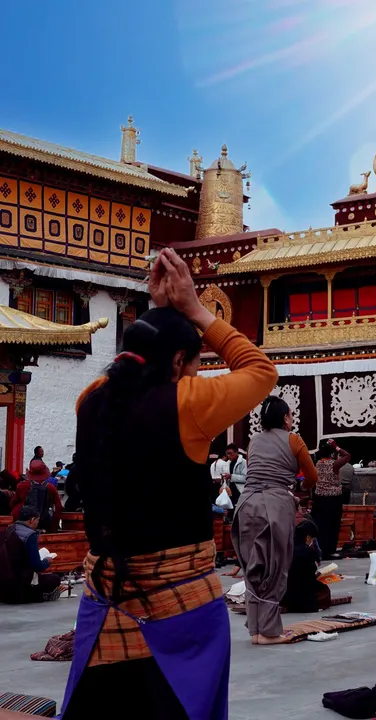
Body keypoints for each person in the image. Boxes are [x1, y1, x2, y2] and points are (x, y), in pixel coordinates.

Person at [60, 248, 277, 720]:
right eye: (195, 363)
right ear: (179, 361)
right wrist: (196, 310)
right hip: (181, 607)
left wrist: (160, 313)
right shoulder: (187, 401)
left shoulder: (90, 399)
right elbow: (261, 370)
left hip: (105, 599)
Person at [232, 395, 317, 645]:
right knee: (275, 565)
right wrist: (301, 486)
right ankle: (268, 632)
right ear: (285, 418)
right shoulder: (294, 440)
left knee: (253, 566)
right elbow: (312, 476)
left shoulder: (254, 441)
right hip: (275, 504)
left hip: (246, 504)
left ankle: (256, 631)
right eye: (290, 414)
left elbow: (254, 470)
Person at [0, 505, 62, 604]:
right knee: (55, 579)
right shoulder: (29, 535)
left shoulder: (8, 530)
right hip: (20, 584)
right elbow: (37, 566)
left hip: (3, 585)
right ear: (32, 520)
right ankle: (38, 595)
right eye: (37, 520)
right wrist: (47, 561)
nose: (37, 523)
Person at [312, 439, 351, 559]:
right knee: (332, 525)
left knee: (320, 524)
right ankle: (330, 550)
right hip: (333, 499)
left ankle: (321, 550)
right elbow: (347, 456)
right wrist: (336, 446)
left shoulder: (317, 463)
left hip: (319, 498)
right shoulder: (334, 464)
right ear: (332, 453)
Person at [281, 518, 330, 613]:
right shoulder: (307, 551)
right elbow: (309, 576)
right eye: (312, 539)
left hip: (285, 595)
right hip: (304, 600)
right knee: (324, 590)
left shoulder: (286, 547)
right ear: (308, 537)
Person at [10, 460, 62, 532]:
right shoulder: (51, 487)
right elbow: (58, 507)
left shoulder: (22, 486)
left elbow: (13, 503)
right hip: (43, 522)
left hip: (22, 522)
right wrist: (53, 527)